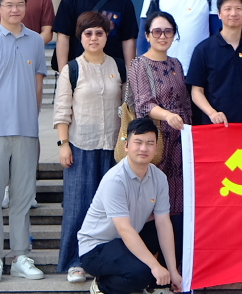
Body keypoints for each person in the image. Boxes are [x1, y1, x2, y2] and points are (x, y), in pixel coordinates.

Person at [0, 0, 50, 282]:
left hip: (26, 131)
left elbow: (38, 84)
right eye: (9, 5)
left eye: (20, 4)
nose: (15, 9)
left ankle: (20, 255)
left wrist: (33, 121)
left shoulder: (36, 41)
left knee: (22, 197)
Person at [53, 11, 127, 283]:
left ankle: (104, 262)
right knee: (78, 207)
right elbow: (62, 111)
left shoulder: (119, 67)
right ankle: (75, 262)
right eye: (88, 33)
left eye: (99, 33)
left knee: (111, 209)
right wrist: (64, 144)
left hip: (112, 149)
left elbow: (126, 109)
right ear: (80, 37)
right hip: (80, 146)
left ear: (107, 36)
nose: (93, 38)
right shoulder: (72, 69)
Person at [75, 121, 181, 294]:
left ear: (156, 148)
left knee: (177, 224)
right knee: (142, 272)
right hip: (97, 247)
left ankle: (157, 283)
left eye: (150, 143)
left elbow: (163, 223)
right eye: (138, 142)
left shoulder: (159, 178)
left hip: (127, 240)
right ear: (126, 146)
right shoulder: (115, 180)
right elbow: (124, 229)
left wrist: (173, 271)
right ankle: (102, 285)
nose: (143, 148)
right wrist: (154, 266)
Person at [130, 11, 194, 242]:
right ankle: (151, 254)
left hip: (179, 143)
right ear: (147, 35)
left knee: (178, 200)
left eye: (168, 31)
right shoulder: (139, 64)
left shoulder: (176, 63)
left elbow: (185, 102)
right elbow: (144, 104)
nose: (162, 36)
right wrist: (168, 116)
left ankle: (175, 254)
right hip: (155, 142)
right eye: (157, 31)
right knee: (152, 199)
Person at [187, 0, 242, 125]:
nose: (233, 13)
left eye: (238, 8)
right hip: (217, 126)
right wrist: (212, 113)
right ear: (219, 14)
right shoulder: (203, 50)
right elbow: (196, 91)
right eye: (228, 9)